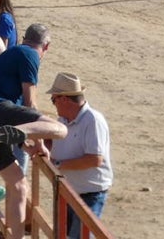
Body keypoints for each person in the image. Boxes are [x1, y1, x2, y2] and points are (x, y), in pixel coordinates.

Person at [0, 24, 69, 239]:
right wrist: (41, 144)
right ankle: (9, 133)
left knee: (18, 186)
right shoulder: (29, 54)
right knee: (60, 129)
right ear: (47, 46)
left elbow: (18, 115)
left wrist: (26, 141)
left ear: (24, 37)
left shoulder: (12, 53)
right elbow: (30, 103)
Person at [46, 73, 112, 237]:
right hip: (68, 190)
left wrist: (59, 165)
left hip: (89, 194)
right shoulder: (63, 121)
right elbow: (56, 145)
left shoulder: (93, 120)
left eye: (53, 100)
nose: (54, 105)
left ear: (64, 99)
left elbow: (94, 159)